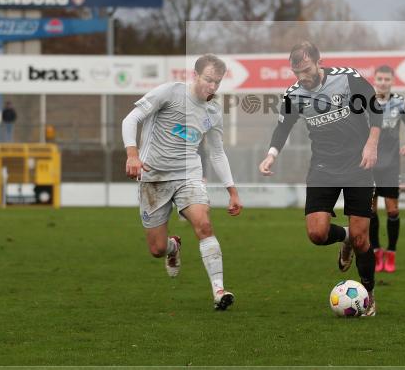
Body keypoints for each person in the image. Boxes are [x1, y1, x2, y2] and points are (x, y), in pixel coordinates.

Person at [258, 42, 382, 315]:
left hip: (358, 165)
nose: (302, 77)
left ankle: (368, 295)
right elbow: (282, 128)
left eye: (306, 70)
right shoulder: (294, 94)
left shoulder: (347, 77)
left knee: (364, 240)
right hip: (323, 167)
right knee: (317, 233)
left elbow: (375, 109)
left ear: (318, 62)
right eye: (296, 72)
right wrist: (271, 155)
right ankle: (345, 236)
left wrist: (371, 144)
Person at [122, 54, 243, 311]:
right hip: (153, 179)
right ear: (195, 75)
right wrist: (132, 155)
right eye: (208, 80)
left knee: (204, 224)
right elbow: (130, 119)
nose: (212, 87)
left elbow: (217, 152)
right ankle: (173, 246)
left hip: (188, 175)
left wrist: (232, 191)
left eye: (217, 82)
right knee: (156, 248)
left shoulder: (213, 111)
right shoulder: (170, 93)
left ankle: (219, 291)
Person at [369, 65, 405, 273]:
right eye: (379, 78)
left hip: (390, 165)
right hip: (369, 163)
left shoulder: (400, 103)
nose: (383, 82)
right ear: (374, 80)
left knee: (392, 210)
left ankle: (391, 253)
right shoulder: (364, 104)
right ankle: (376, 252)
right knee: (369, 211)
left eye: (386, 79)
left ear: (391, 81)